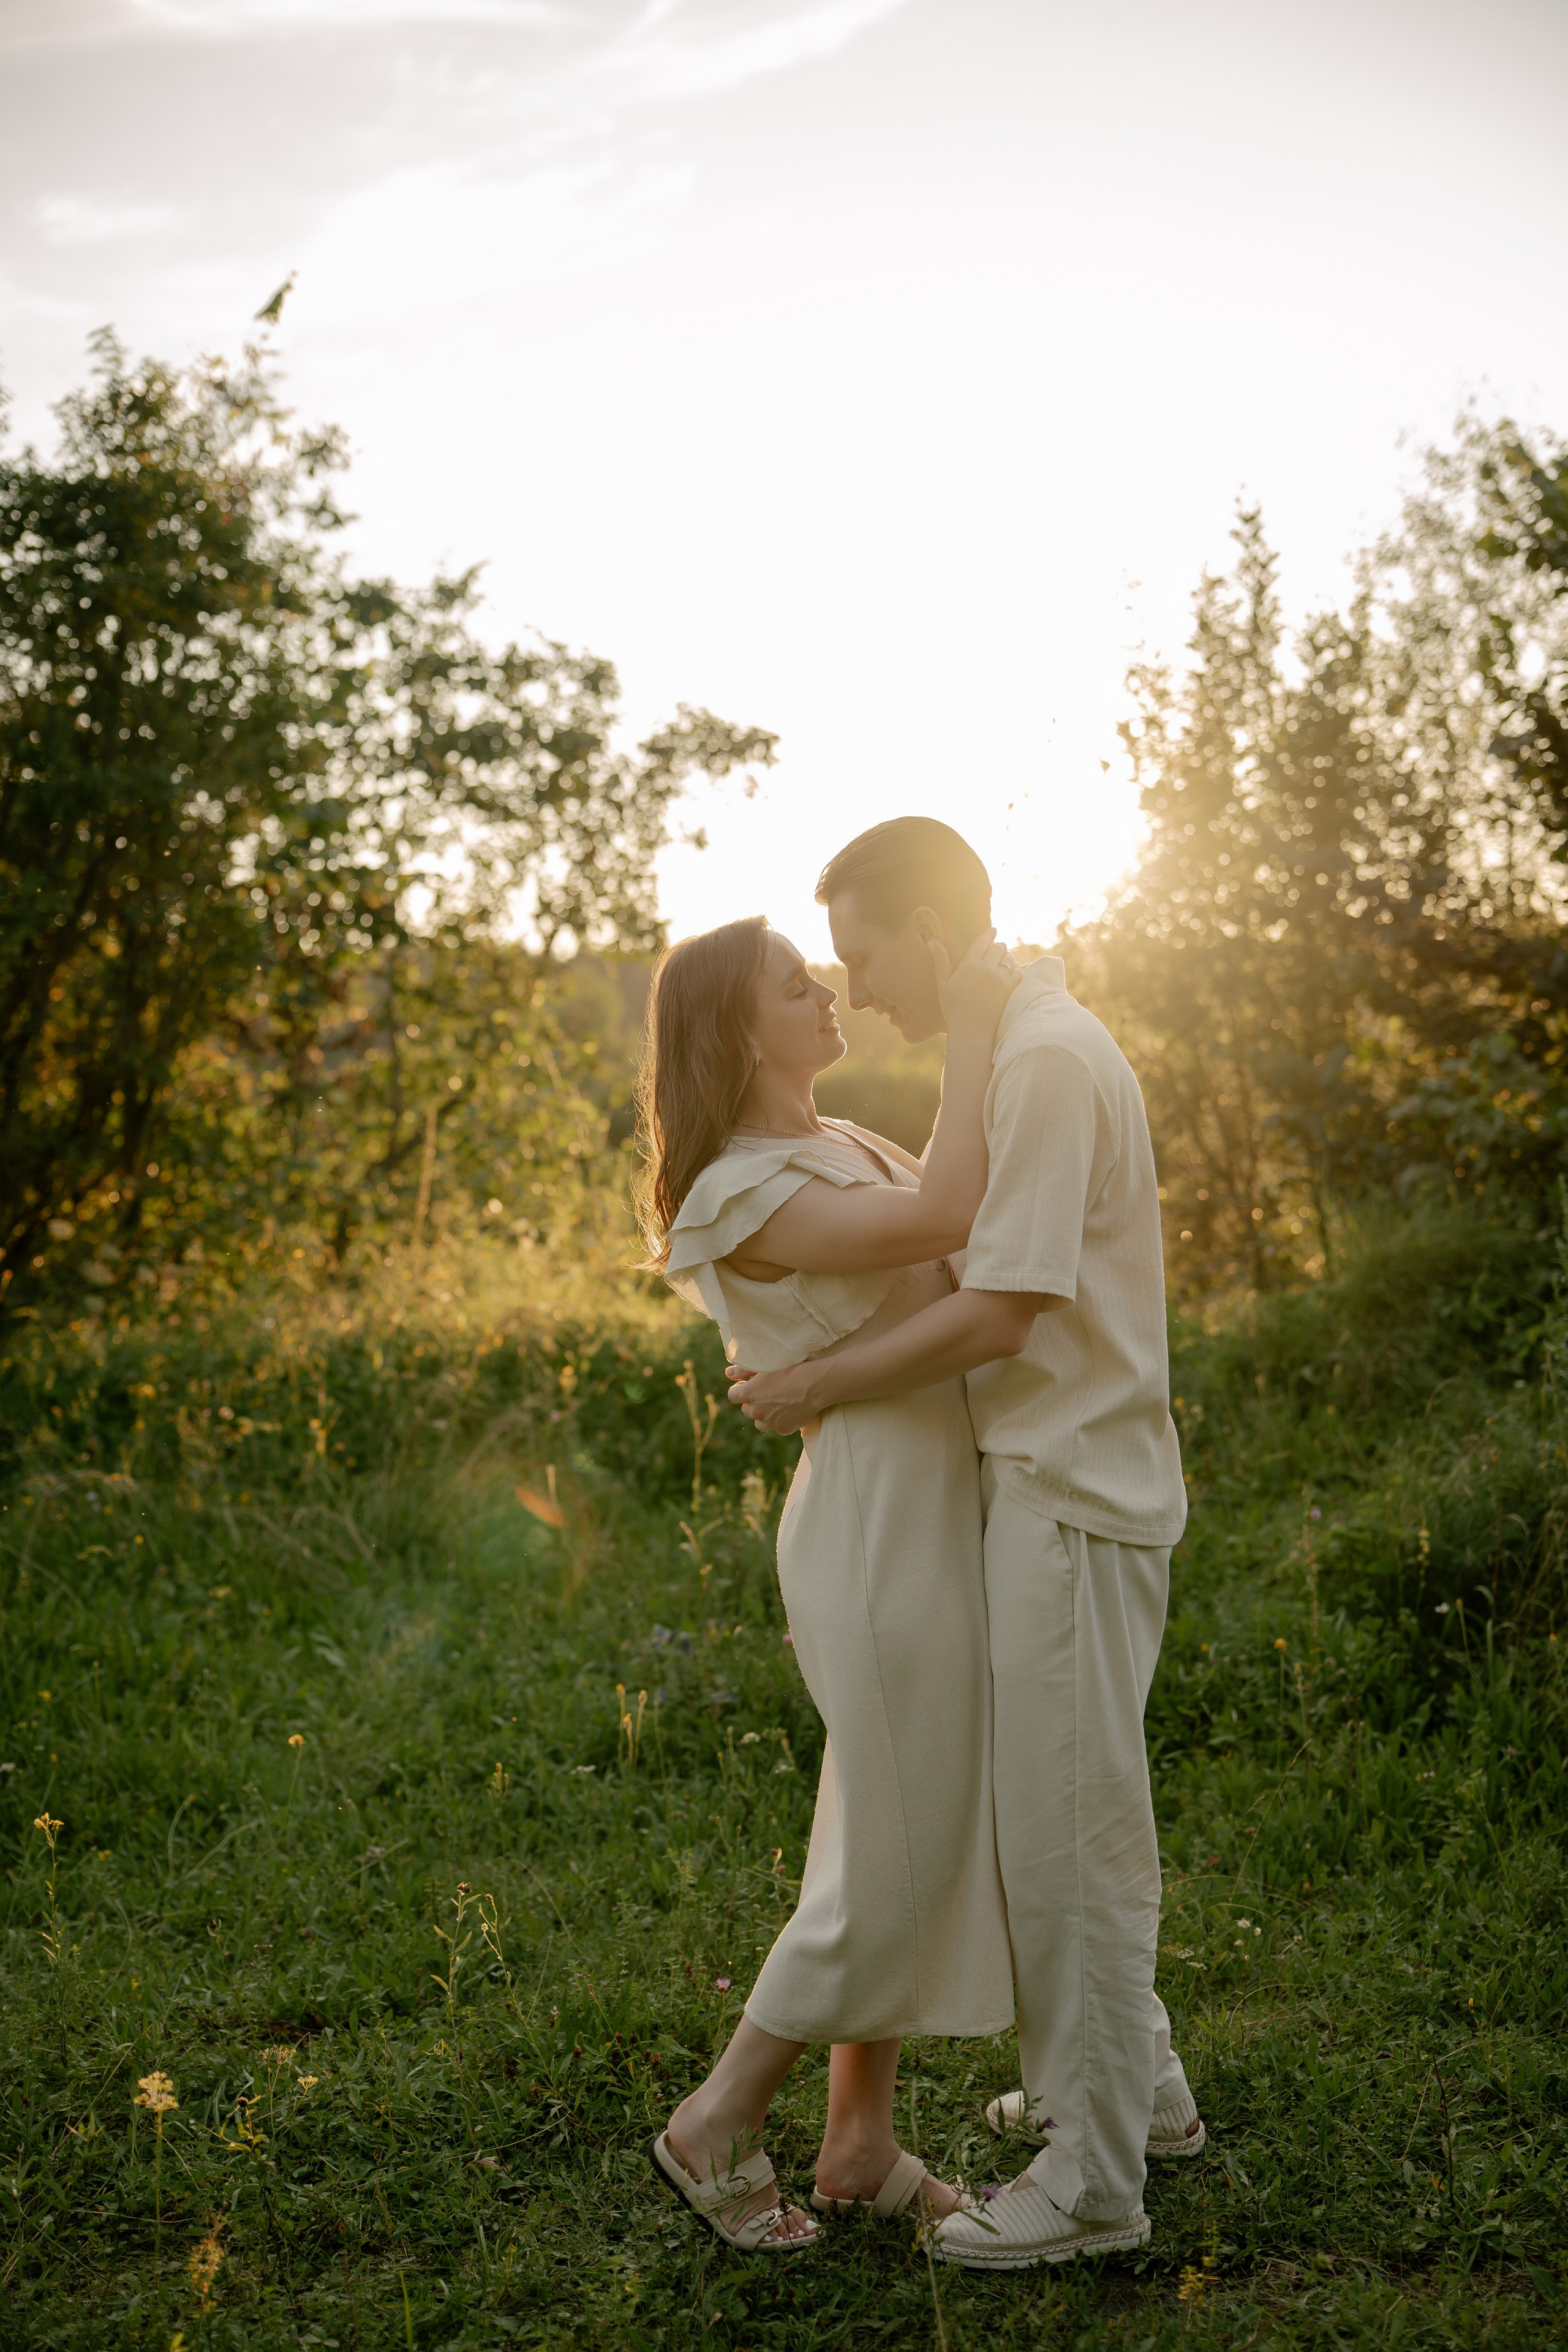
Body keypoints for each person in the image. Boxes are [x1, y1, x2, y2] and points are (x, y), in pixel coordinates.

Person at [729, 817, 1205, 2271]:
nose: (855, 990)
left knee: (1066, 1839)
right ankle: (1143, 2098)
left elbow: (1002, 1309)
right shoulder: (1020, 1040)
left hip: (1065, 1487)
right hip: (1055, 1480)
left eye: (864, 955)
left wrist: (808, 1387)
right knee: (1064, 1807)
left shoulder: (1046, 1060)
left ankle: (1093, 2180)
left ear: (929, 935)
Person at [637, 911, 1019, 2253]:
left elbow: (959, 1264)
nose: (828, 995)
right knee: (897, 1854)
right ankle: (716, 2118)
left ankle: (858, 2139)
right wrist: (976, 1030)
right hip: (868, 1520)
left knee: (891, 1825)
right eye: (794, 987)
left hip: (928, 1500)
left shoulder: (837, 1143)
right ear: (731, 1033)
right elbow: (953, 1219)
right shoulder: (739, 1186)